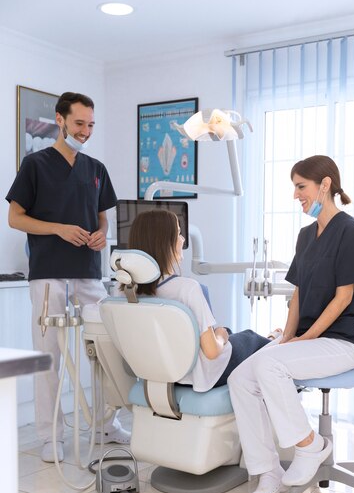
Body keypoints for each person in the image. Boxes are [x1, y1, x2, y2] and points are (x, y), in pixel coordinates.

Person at [228, 155, 354, 493]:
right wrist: (287, 338)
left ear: (325, 185)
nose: (296, 195)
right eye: (294, 187)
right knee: (240, 378)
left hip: (341, 341)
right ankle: (268, 470)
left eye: (301, 186)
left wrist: (305, 339)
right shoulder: (306, 235)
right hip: (307, 340)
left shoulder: (351, 232)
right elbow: (298, 295)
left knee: (269, 365)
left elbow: (343, 298)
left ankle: (310, 446)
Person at [6, 91, 130, 463]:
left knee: (108, 348)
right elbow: (16, 218)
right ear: (60, 120)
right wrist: (59, 229)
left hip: (88, 273)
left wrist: (102, 233)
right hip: (48, 275)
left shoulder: (95, 169)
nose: (86, 131)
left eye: (91, 124)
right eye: (79, 123)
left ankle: (107, 422)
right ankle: (50, 435)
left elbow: (103, 215)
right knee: (49, 354)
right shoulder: (35, 165)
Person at [127, 209, 271, 392]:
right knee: (250, 338)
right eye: (178, 234)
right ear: (164, 242)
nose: (183, 240)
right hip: (202, 375)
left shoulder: (127, 293)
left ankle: (271, 336)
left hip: (160, 374)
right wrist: (221, 335)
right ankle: (276, 339)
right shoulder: (187, 289)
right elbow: (211, 352)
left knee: (231, 335)